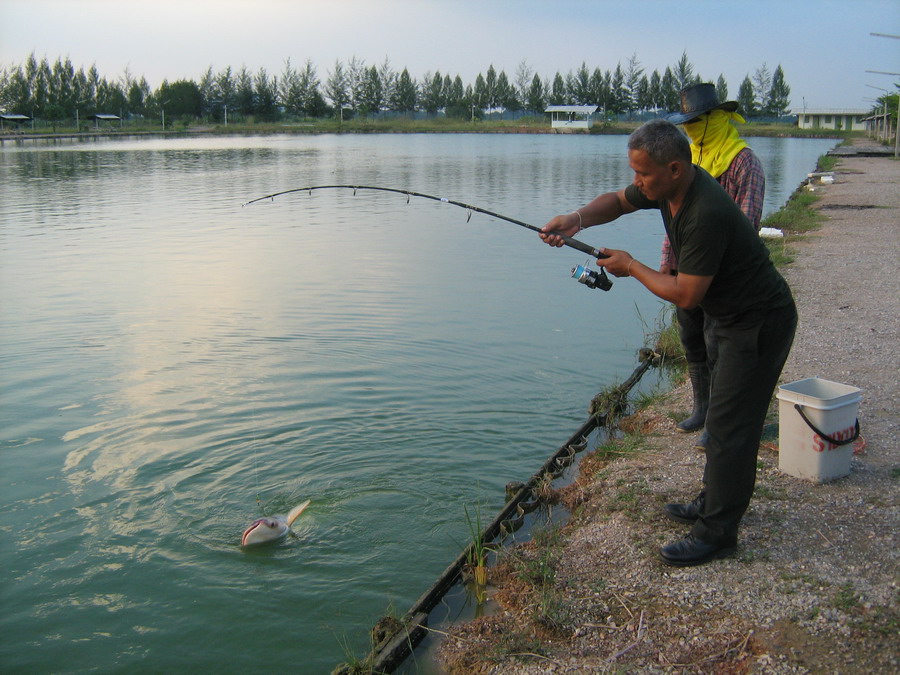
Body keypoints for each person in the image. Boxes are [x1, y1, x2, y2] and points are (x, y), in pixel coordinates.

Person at [540, 119, 796, 566]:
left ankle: (717, 532)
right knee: (720, 415)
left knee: (732, 428)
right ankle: (713, 501)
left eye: (644, 174)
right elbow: (618, 202)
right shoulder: (667, 188)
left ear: (674, 168)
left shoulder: (705, 213)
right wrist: (576, 220)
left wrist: (632, 265)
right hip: (728, 316)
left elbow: (686, 293)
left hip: (757, 322)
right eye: (635, 171)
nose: (637, 182)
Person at [663, 84, 766, 451]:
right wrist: (667, 267)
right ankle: (701, 408)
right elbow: (673, 221)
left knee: (718, 345)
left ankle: (720, 422)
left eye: (697, 122)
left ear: (716, 118)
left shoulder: (744, 162)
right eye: (685, 123)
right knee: (692, 340)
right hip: (684, 270)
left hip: (721, 278)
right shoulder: (687, 164)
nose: (690, 129)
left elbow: (746, 225)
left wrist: (707, 275)